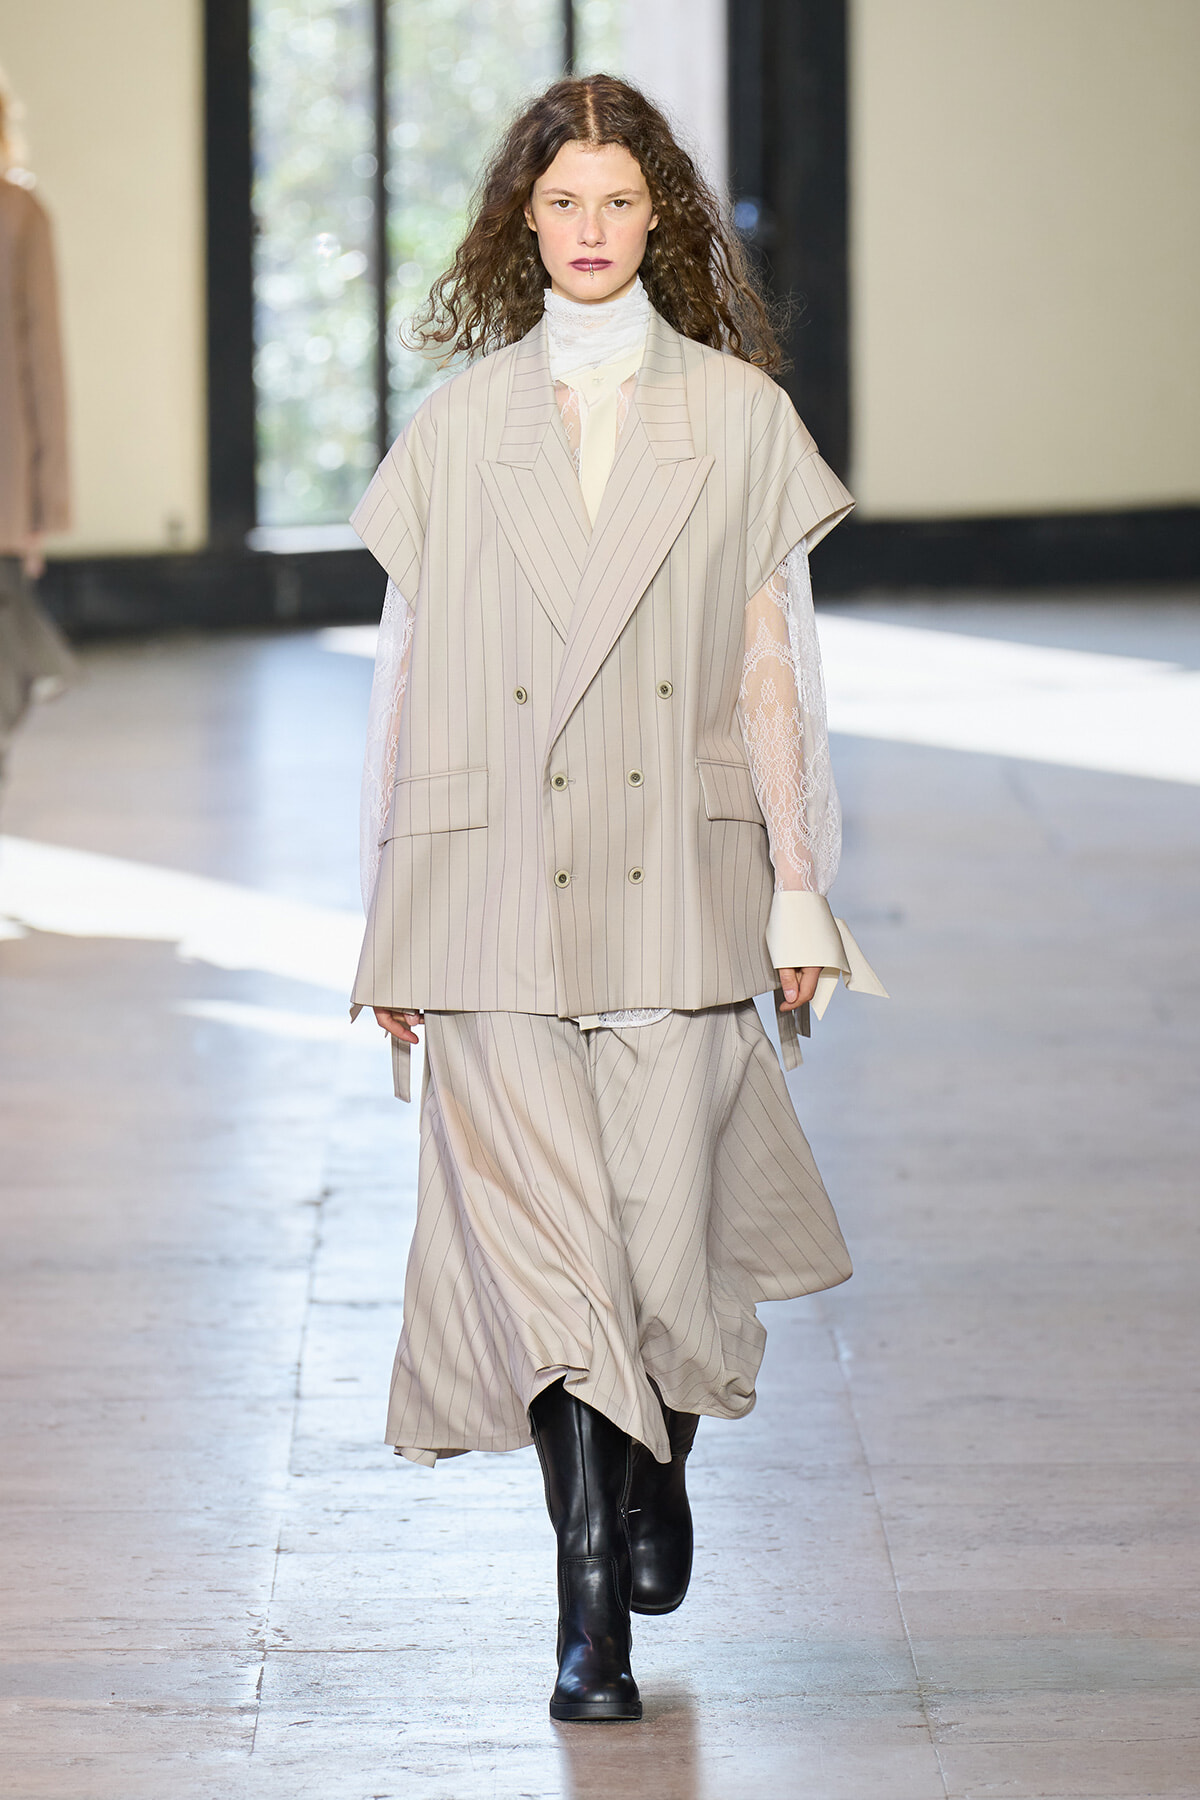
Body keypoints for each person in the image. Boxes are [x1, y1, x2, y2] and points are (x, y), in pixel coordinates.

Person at [349, 75, 886, 1723]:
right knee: (558, 1265)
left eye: (619, 202)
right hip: (492, 885)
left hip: (677, 879)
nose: (590, 231)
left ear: (663, 219)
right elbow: (405, 679)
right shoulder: (458, 430)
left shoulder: (734, 419)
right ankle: (590, 1615)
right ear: (525, 219)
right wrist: (383, 916)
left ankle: (658, 1470)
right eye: (563, 202)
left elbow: (774, 668)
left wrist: (800, 886)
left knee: (662, 1251)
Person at [0, 64, 74, 798]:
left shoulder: (20, 213)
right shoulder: (21, 212)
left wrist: (43, 505)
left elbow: (39, 365)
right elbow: (41, 365)